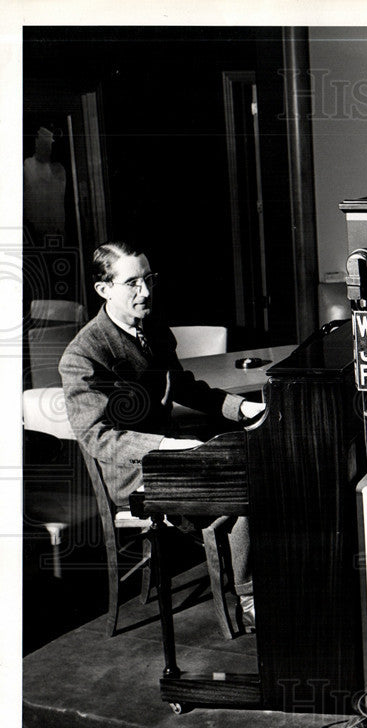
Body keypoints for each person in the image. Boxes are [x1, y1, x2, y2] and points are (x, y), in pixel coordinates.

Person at [59, 240, 265, 630]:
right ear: (104, 290)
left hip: (173, 457)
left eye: (149, 279)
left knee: (260, 474)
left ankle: (251, 579)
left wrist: (243, 408)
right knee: (246, 492)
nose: (146, 292)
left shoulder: (152, 328)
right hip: (136, 474)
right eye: (133, 283)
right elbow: (97, 437)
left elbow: (185, 387)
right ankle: (250, 599)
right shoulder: (83, 354)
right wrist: (166, 445)